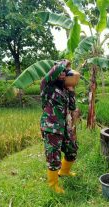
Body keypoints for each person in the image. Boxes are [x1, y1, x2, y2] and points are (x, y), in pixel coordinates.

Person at [40, 60, 78, 194]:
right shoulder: (47, 86)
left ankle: (65, 172)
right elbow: (51, 74)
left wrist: (71, 91)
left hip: (64, 126)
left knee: (72, 149)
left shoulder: (64, 89)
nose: (63, 74)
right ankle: (53, 185)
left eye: (65, 73)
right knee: (53, 156)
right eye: (60, 72)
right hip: (51, 126)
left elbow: (72, 107)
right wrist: (64, 63)